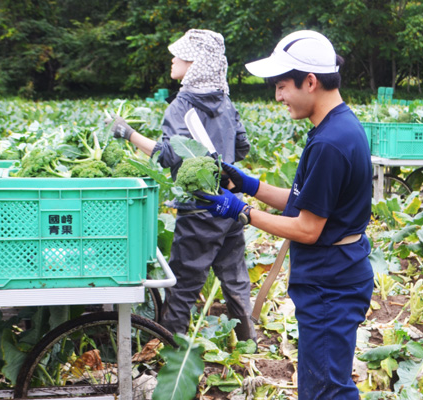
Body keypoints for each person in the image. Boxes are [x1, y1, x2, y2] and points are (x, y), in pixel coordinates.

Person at [195, 30, 374, 399]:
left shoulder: (330, 143)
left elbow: (307, 229)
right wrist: (248, 185)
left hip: (330, 284)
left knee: (328, 390)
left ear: (310, 82)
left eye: (281, 86)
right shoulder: (335, 127)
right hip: (334, 275)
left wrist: (243, 212)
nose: (277, 96)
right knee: (320, 383)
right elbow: (303, 202)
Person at [105, 29, 257, 342]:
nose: (173, 59)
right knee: (235, 277)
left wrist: (128, 133)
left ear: (194, 63)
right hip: (230, 203)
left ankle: (168, 346)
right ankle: (247, 341)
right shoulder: (225, 101)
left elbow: (168, 154)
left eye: (180, 55)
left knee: (185, 281)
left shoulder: (182, 105)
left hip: (200, 207)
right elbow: (242, 147)